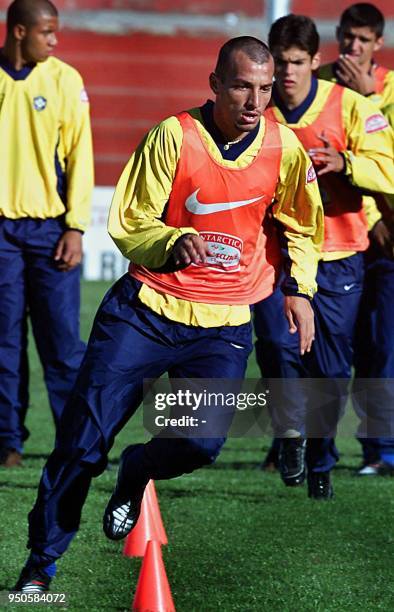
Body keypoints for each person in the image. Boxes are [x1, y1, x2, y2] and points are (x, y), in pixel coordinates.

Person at [13, 35, 323, 592]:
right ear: (214, 85)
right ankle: (40, 565)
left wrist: (299, 289)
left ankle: (137, 471)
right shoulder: (173, 136)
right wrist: (172, 239)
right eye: (241, 87)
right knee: (82, 443)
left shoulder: (285, 148)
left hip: (223, 326)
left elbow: (304, 224)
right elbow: (131, 218)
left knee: (200, 445)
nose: (254, 101)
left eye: (265, 88)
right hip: (145, 314)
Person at [254, 14, 394, 498]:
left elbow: (389, 170)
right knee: (276, 347)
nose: (286, 73)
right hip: (273, 259)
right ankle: (289, 434)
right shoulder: (258, 113)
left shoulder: (351, 107)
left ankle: (321, 460)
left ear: (317, 60)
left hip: (339, 255)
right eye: (279, 62)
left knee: (330, 367)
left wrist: (346, 164)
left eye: (296, 63)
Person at [0, 0, 94, 467]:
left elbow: (81, 159)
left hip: (50, 232)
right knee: (4, 343)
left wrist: (76, 226)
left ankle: (74, 442)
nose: (55, 41)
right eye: (47, 32)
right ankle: (7, 442)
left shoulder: (65, 81)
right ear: (19, 31)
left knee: (62, 345)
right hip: (1, 235)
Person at [319, 2, 394, 476]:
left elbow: (387, 164)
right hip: (329, 235)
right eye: (347, 37)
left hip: (383, 233)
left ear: (378, 45)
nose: (353, 47)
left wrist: (368, 100)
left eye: (363, 40)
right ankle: (300, 444)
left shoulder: (387, 92)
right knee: (318, 347)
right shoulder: (318, 82)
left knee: (379, 345)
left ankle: (380, 449)